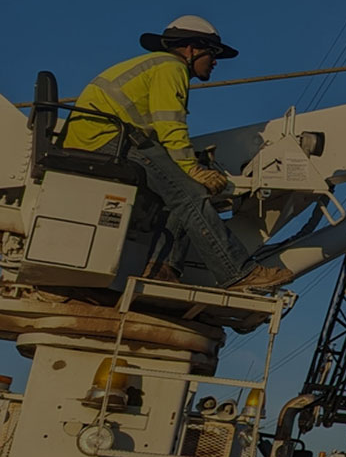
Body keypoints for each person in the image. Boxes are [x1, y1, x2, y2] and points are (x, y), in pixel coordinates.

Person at [62, 16, 290, 290]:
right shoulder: (171, 67)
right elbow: (170, 125)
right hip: (110, 140)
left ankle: (163, 269)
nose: (216, 62)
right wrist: (193, 169)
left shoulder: (155, 66)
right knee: (191, 194)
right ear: (192, 49)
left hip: (101, 138)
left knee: (177, 192)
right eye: (213, 54)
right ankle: (238, 273)